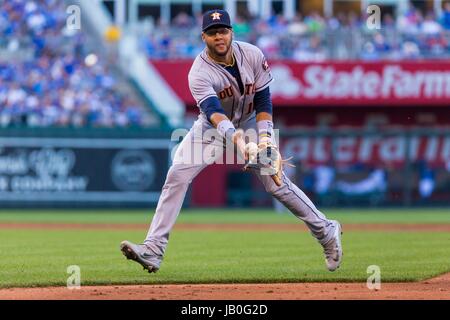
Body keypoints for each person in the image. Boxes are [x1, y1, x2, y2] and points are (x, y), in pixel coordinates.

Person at [120, 9, 343, 273]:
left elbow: (263, 100)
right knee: (177, 175)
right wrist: (237, 141)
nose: (219, 37)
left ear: (231, 32)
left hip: (251, 121)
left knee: (277, 186)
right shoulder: (198, 72)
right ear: (204, 37)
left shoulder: (252, 54)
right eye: (213, 33)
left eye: (223, 31)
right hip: (210, 129)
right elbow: (214, 112)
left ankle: (326, 230)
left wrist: (266, 139)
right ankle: (154, 250)